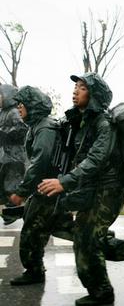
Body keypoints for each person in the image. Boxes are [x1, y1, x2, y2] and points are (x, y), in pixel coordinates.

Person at [37, 73, 124, 306]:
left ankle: (102, 294)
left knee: (87, 240)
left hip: (109, 190)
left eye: (82, 87)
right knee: (87, 238)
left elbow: (96, 159)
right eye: (75, 87)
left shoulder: (103, 123)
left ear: (94, 95)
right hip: (90, 189)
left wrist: (65, 182)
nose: (75, 91)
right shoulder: (81, 121)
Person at [8, 86, 75, 285]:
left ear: (32, 105)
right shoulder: (37, 125)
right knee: (67, 229)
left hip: (47, 190)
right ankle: (108, 241)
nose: (19, 108)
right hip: (47, 189)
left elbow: (41, 161)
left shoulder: (44, 127)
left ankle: (34, 272)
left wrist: (21, 191)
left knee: (31, 232)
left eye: (22, 104)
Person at [0, 84, 28, 224]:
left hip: (14, 156)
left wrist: (5, 133)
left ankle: (14, 211)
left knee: (11, 184)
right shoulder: (2, 112)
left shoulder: (14, 112)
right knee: (4, 184)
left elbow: (21, 128)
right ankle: (10, 211)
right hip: (5, 154)